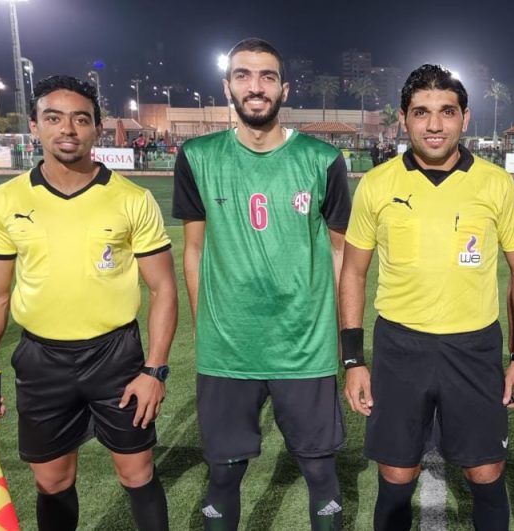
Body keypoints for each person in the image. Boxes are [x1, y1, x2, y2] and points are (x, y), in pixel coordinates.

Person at [0, 74, 177, 531]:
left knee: (137, 472)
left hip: (116, 356)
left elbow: (163, 288)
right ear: (35, 125)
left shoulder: (132, 199)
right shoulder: (4, 200)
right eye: (54, 118)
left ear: (97, 128)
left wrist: (154, 370)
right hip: (42, 359)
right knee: (52, 480)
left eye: (81, 119)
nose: (67, 129)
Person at [339, 64, 514, 531]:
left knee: (486, 472)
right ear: (403, 118)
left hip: (474, 348)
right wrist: (353, 360)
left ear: (464, 118)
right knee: (396, 475)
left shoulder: (495, 183)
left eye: (446, 112)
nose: (434, 124)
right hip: (399, 347)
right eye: (421, 112)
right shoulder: (377, 184)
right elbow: (352, 272)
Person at [172, 37, 351, 531]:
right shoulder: (198, 156)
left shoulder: (322, 159)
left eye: (267, 76)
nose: (256, 86)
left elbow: (340, 252)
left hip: (304, 347)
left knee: (320, 471)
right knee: (223, 474)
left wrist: (337, 329)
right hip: (228, 349)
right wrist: (206, 326)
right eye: (244, 75)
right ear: (227, 86)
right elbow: (194, 250)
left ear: (284, 89)